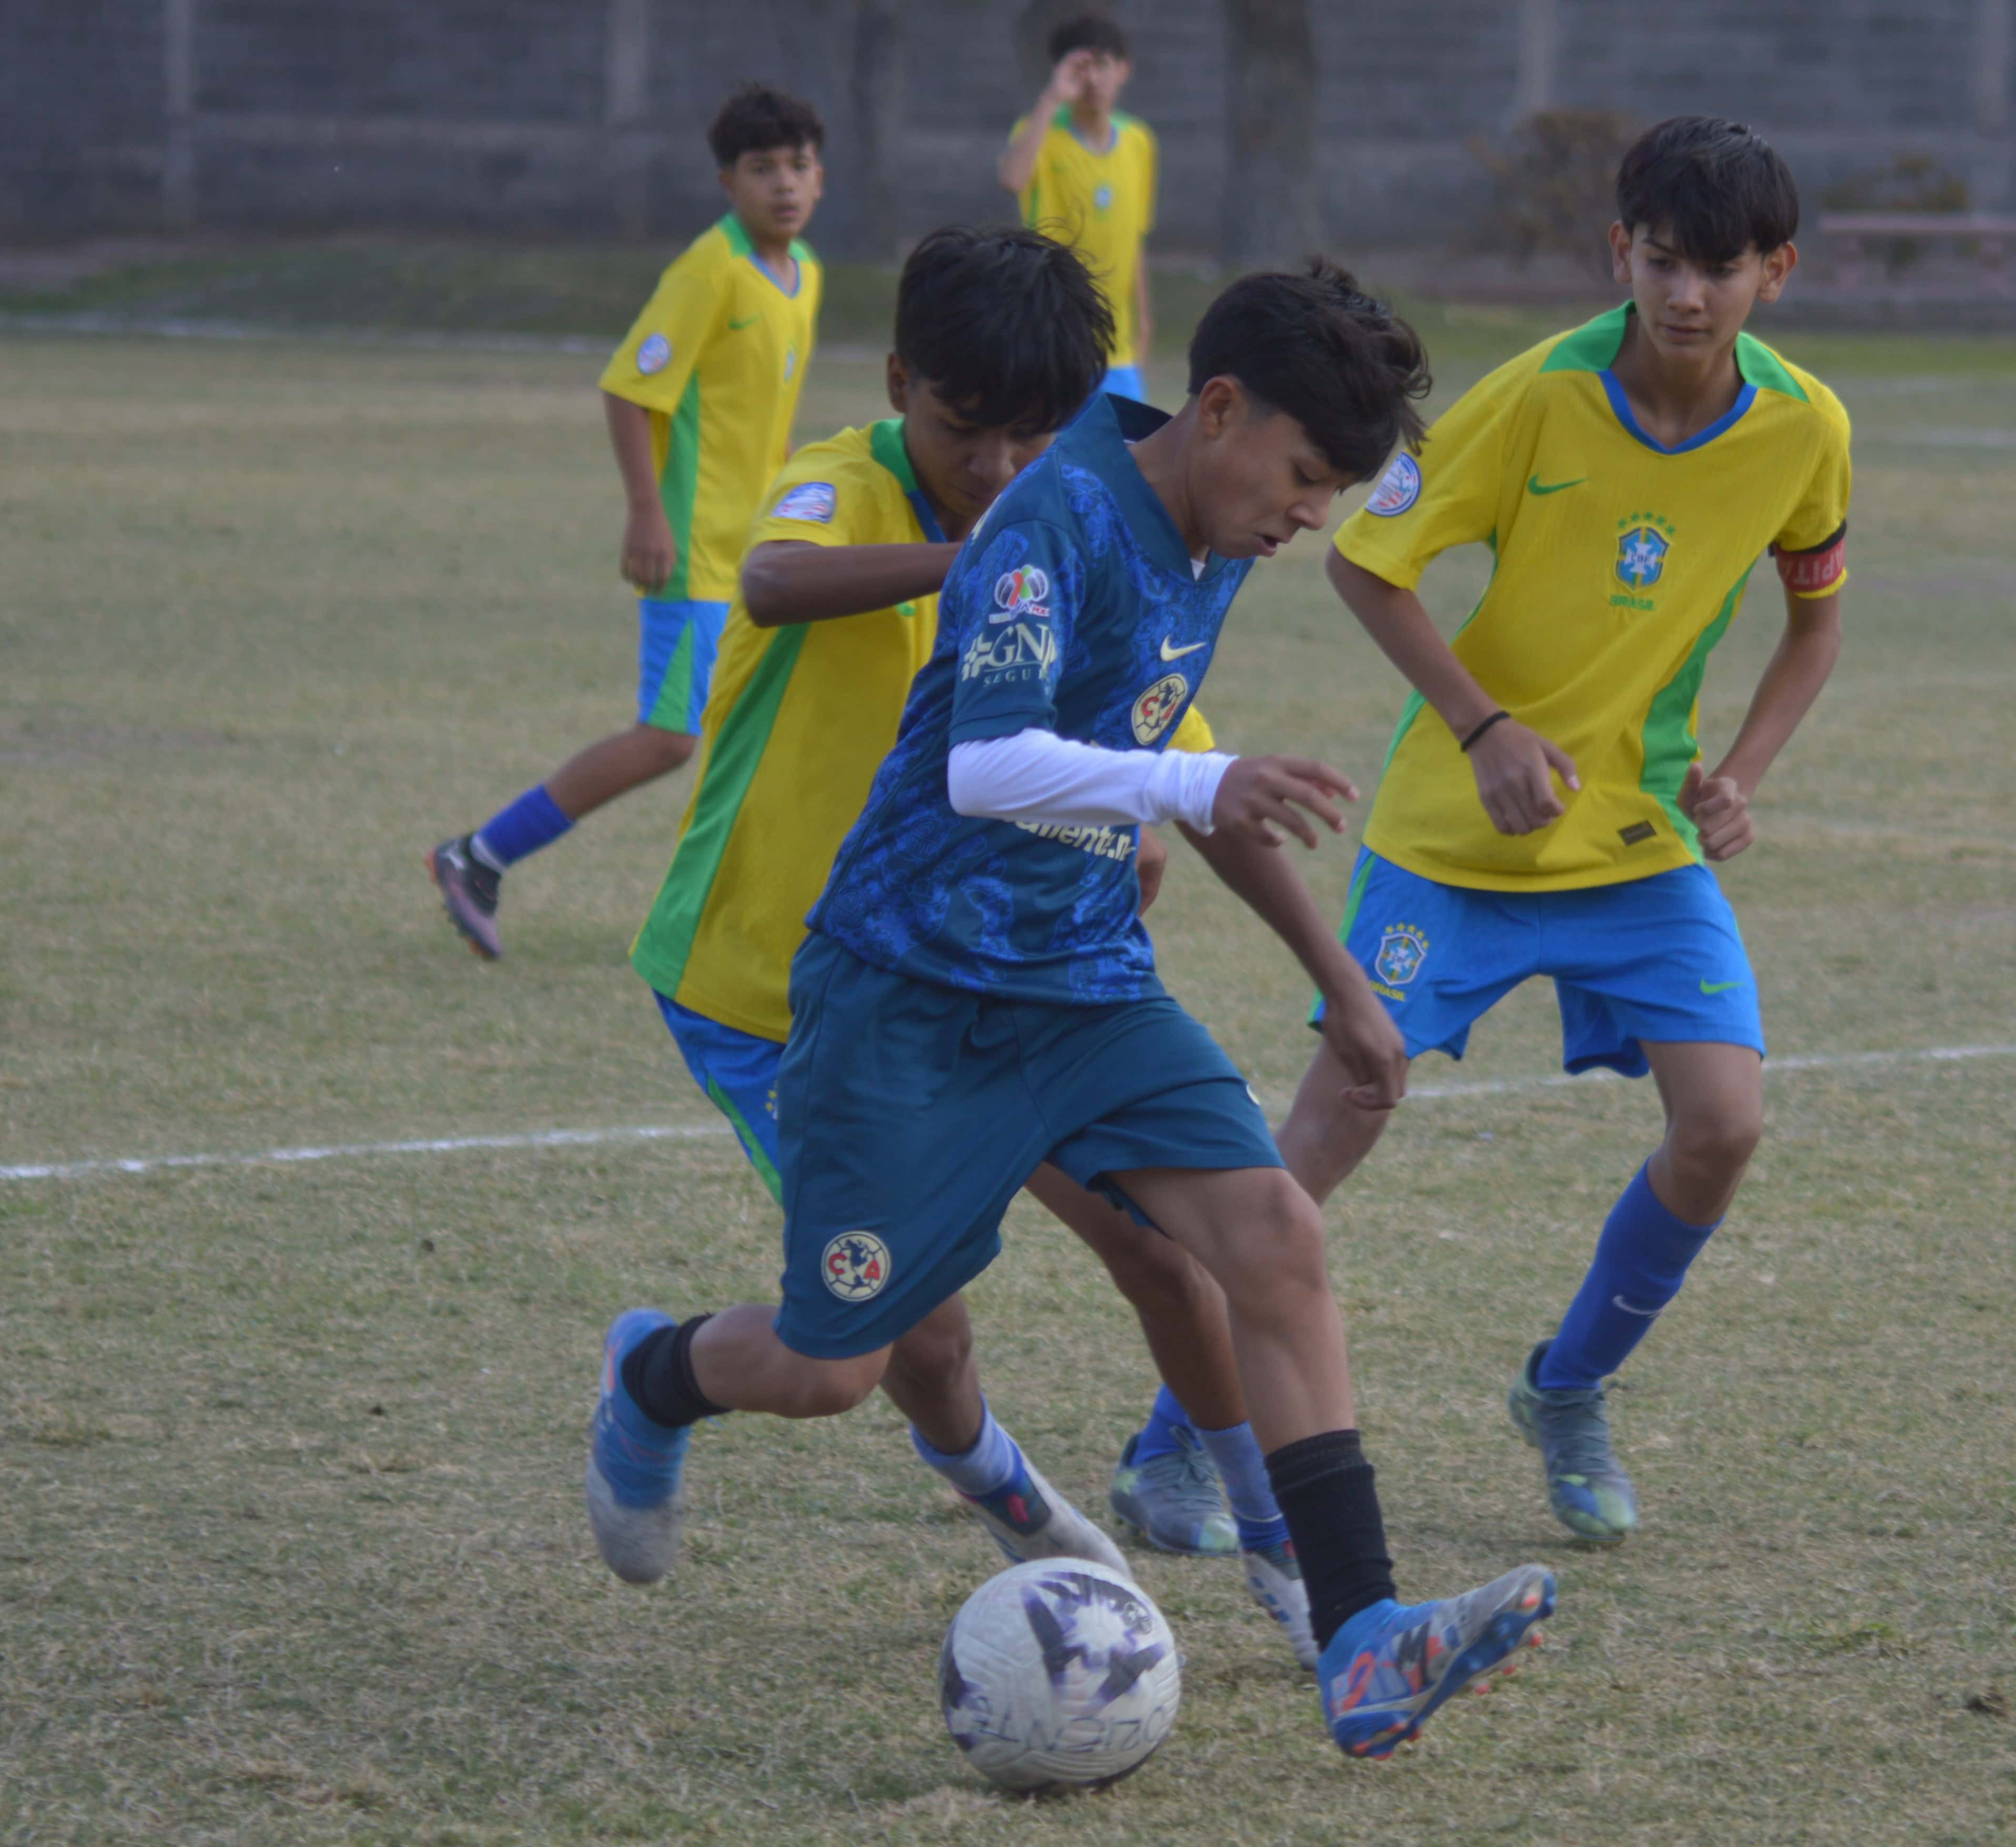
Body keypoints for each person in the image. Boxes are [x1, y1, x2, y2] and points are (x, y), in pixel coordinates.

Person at [586, 259, 1556, 1762]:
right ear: (1220, 409)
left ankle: (1360, 1630)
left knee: (1270, 1239)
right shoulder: (1053, 519)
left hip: (1085, 979)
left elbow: (1191, 764)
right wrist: (1187, 782)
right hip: (904, 993)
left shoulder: (1219, 515)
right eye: (1303, 475)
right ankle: (655, 1367)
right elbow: (991, 764)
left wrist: (1342, 984)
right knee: (836, 1366)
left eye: (1330, 491)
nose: (1306, 515)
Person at [611, 224, 1313, 1664]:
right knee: (886, 1348)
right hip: (783, 991)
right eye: (960, 428)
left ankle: (1280, 1544)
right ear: (899, 385)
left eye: (1030, 437)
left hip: (1013, 988)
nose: (996, 466)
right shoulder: (848, 479)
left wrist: (1188, 851)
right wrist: (977, 549)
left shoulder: (1098, 526)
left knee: (1169, 1253)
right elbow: (770, 582)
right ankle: (706, 1387)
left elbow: (1162, 747)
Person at [1272, 115, 1852, 1546]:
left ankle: (1569, 1386)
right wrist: (1482, 728)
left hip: (1638, 844)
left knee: (1723, 1123)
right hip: (1450, 843)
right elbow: (1368, 557)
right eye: (1662, 261)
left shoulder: (1804, 428)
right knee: (1327, 1132)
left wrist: (1744, 769)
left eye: (1720, 269)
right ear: (1621, 253)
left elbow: (1815, 618)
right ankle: (1186, 1440)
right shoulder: (1535, 395)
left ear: (1777, 272)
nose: (1686, 296)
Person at [427, 84, 826, 959]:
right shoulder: (709, 271)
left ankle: (760, 912)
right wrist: (647, 511)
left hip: (756, 556)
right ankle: (478, 855)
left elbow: (764, 421)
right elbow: (628, 386)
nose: (784, 185)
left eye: (798, 166)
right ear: (728, 182)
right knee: (668, 739)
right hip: (693, 554)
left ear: (821, 177)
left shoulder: (805, 277)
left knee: (767, 728)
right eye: (763, 169)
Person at [996, 13, 1154, 404]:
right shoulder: (1038, 132)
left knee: (1124, 459)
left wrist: (1145, 320)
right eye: (1080, 69)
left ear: (1124, 70)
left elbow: (1134, 239)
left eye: (1101, 66)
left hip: (1118, 349)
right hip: (1053, 337)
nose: (1092, 80)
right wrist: (1051, 99)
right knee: (1052, 459)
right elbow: (1013, 179)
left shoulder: (1139, 142)